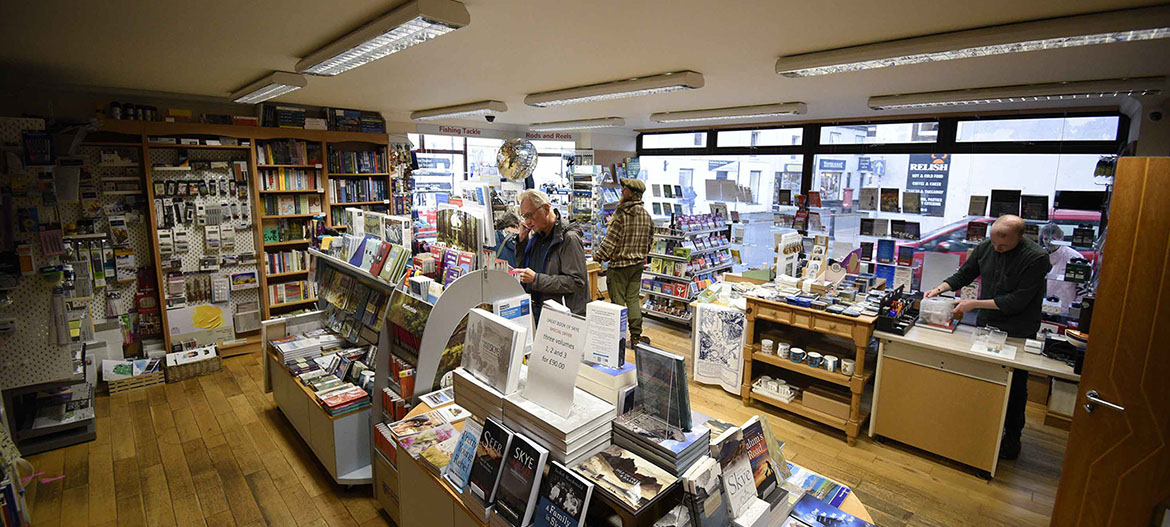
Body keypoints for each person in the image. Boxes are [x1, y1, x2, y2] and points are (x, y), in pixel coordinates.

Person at [924, 214, 1051, 460]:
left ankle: (1012, 438)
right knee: (983, 377)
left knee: (1014, 385)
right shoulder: (987, 246)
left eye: (1002, 245)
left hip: (1018, 328)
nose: (996, 248)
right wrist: (939, 289)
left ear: (1019, 237)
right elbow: (965, 274)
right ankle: (982, 430)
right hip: (987, 323)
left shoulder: (1036, 258)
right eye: (993, 242)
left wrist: (973, 303)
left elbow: (1017, 301)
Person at [593, 178, 653, 348]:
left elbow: (610, 242)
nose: (621, 191)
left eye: (624, 189)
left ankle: (616, 341)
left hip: (619, 267)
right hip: (637, 266)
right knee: (633, 300)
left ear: (632, 193)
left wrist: (598, 256)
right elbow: (649, 242)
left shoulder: (621, 215)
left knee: (618, 304)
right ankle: (635, 338)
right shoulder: (646, 216)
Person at [514, 189, 588, 320]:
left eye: (530, 215)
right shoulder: (537, 236)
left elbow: (576, 282)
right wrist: (522, 241)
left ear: (546, 209)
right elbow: (525, 271)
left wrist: (536, 279)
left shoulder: (569, 238)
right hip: (539, 312)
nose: (527, 222)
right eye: (524, 217)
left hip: (562, 318)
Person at [1039, 223, 1088, 313]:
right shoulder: (1039, 255)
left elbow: (1083, 289)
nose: (1048, 242)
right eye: (1045, 239)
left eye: (1053, 239)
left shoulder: (1075, 258)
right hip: (1041, 307)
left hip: (1064, 311)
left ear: (1062, 238)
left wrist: (1074, 308)